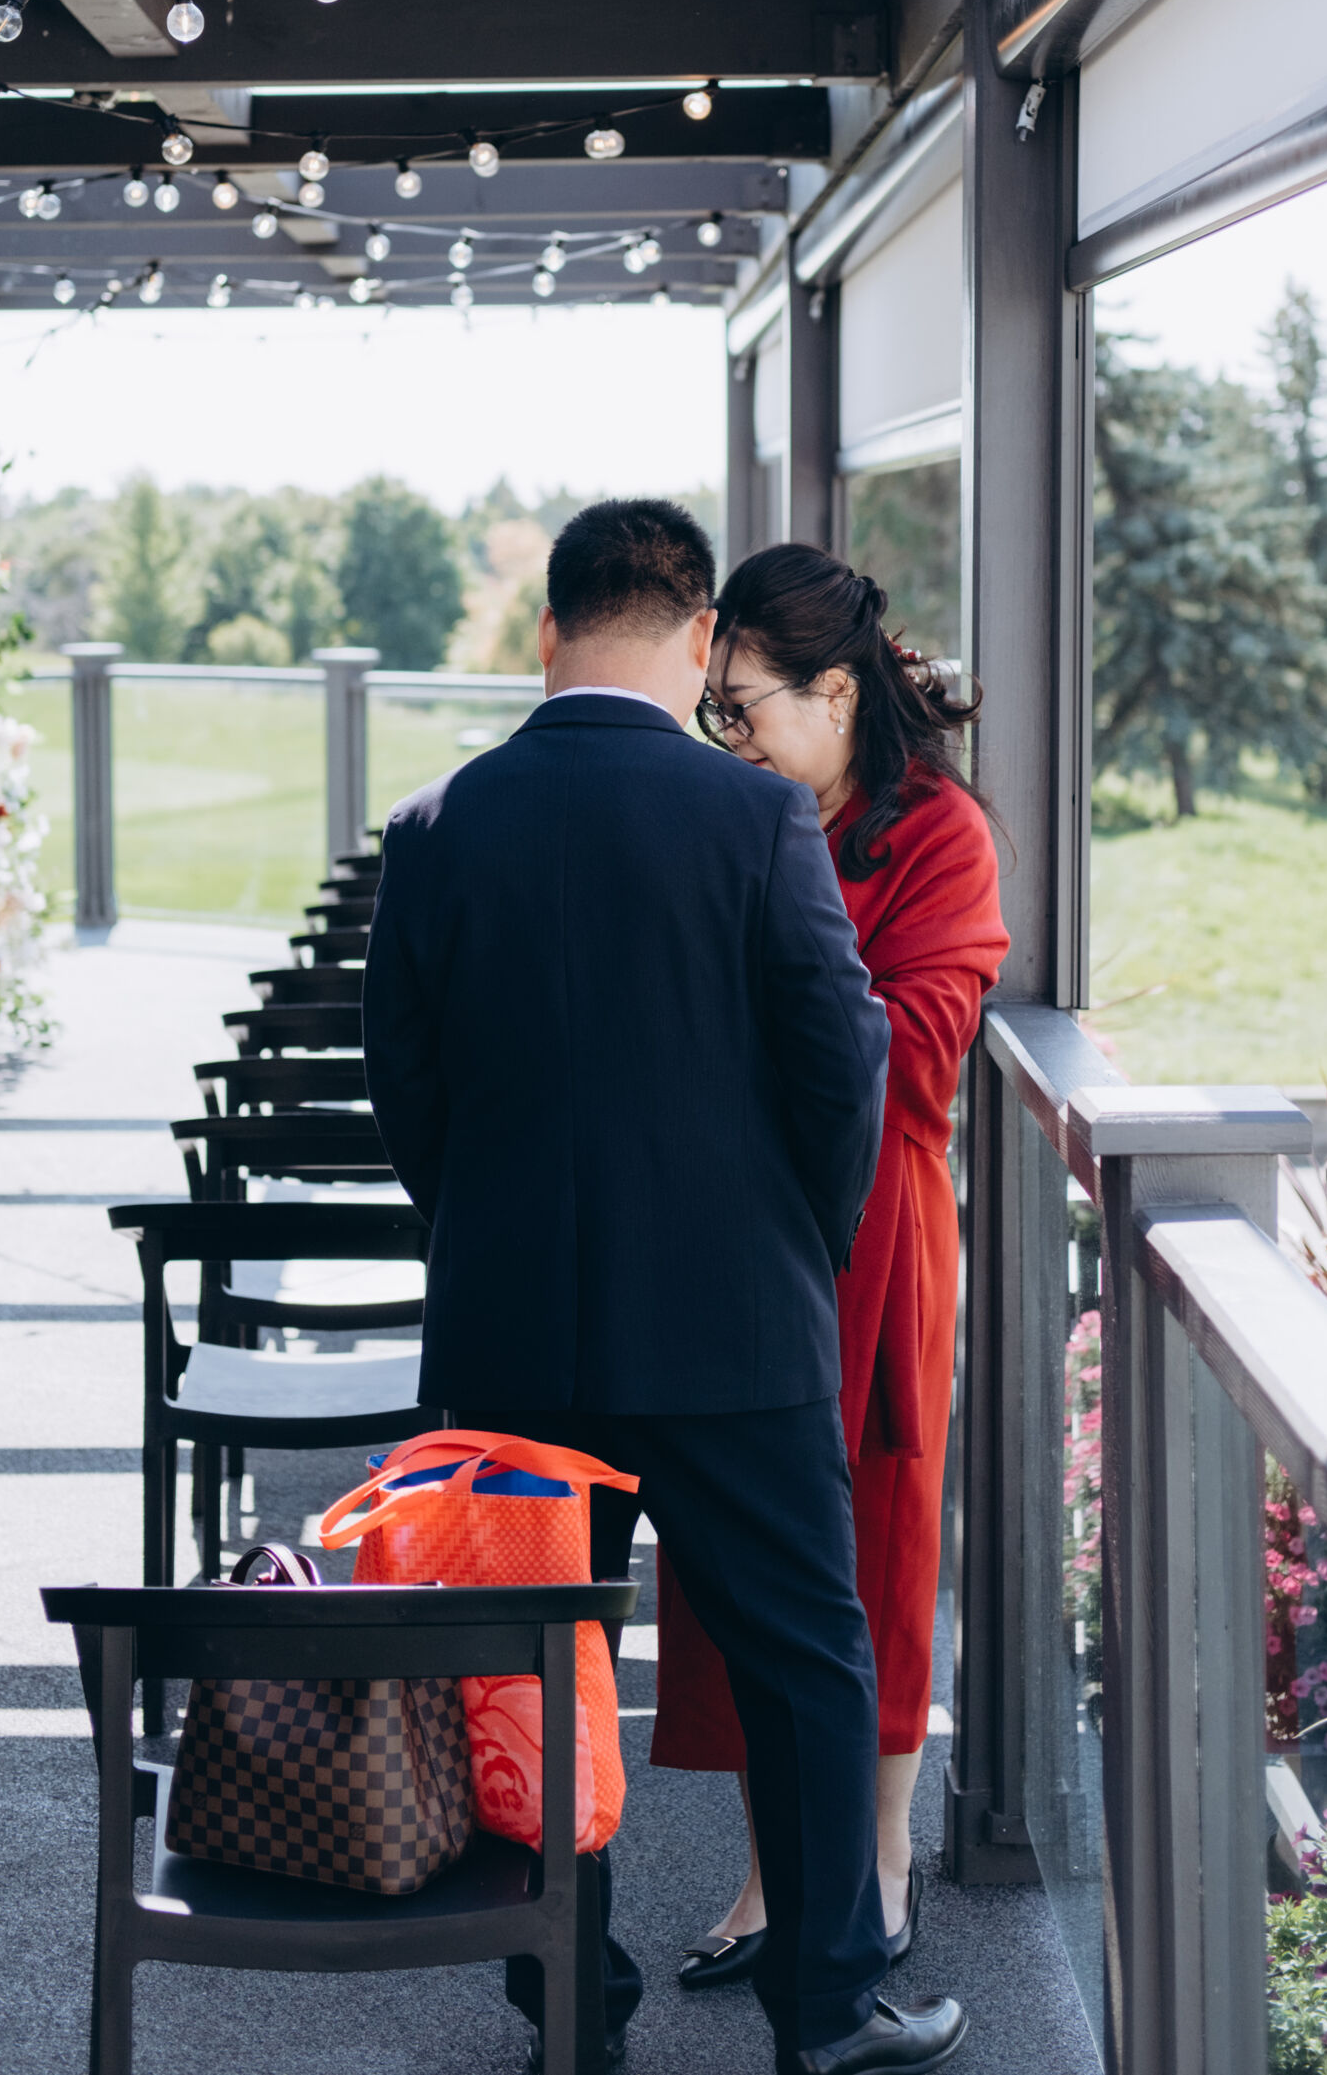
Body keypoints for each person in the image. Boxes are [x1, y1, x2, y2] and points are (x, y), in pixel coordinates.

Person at [362, 497, 969, 2075]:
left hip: (509, 1335)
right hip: (736, 1328)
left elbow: (404, 1088)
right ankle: (827, 2010)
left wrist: (483, 1233)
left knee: (532, 1669)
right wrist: (798, 1244)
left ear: (546, 634)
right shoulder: (757, 821)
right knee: (805, 1658)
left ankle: (573, 2005)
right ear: (701, 636)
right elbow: (843, 1065)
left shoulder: (433, 826)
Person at [654, 545, 1008, 1990]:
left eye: (744, 707)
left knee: (880, 1543)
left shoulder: (939, 834)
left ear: (839, 694)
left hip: (876, 1232)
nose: (727, 736)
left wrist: (740, 1040)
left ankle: (878, 1855)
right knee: (735, 1556)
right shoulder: (731, 815)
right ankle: (768, 1871)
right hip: (737, 1227)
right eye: (714, 710)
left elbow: (916, 1059)